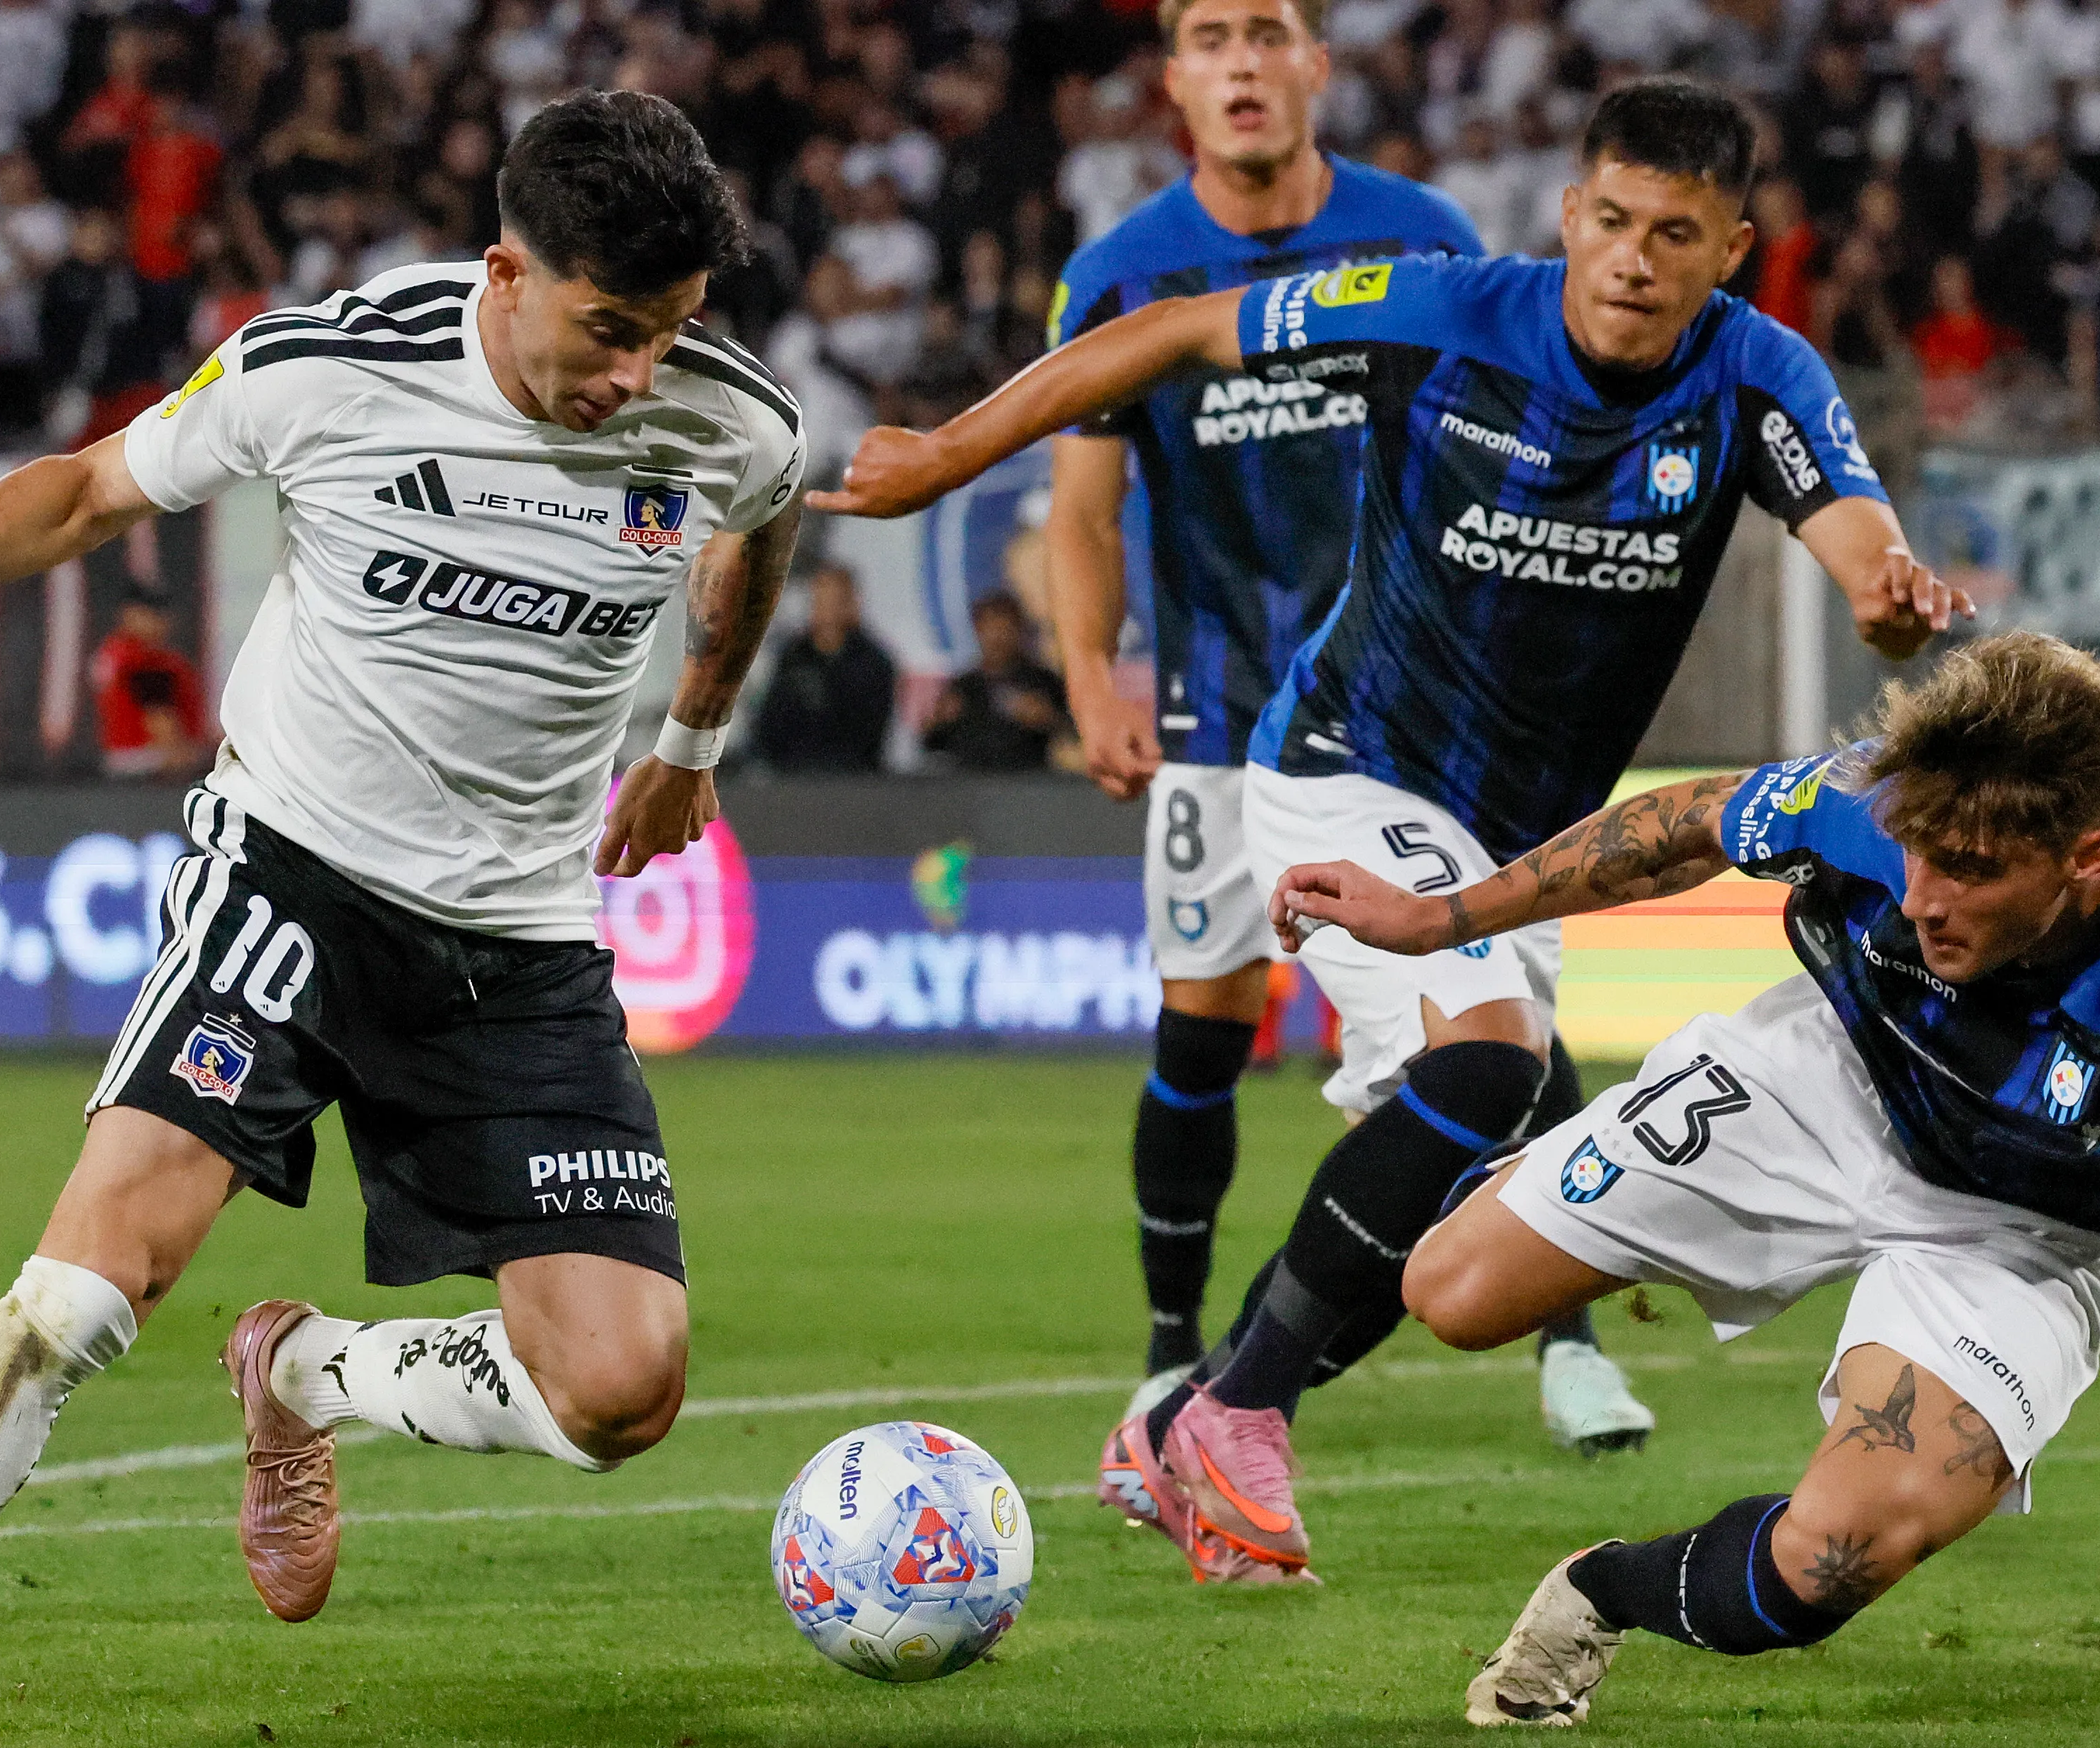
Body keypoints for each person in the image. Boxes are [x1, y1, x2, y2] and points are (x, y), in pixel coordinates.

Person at [0, 90, 807, 1748]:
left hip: (521, 936)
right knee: (89, 1283)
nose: (633, 378)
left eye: (670, 336)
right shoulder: (332, 367)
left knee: (620, 1386)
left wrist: (692, 736)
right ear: (509, 269)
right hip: (293, 877)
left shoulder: (725, 418)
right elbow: (92, 487)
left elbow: (763, 513)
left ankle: (304, 1367)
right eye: (608, 331)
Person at [814, 77, 1971, 1582]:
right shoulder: (1433, 309)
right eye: (1608, 221)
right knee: (1482, 1063)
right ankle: (1232, 1408)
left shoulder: (1759, 379)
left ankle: (1183, 1423)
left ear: (1728, 250)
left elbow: (1861, 544)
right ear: (1568, 214)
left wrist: (1886, 595)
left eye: (1671, 234)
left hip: (1515, 851)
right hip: (1347, 762)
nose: (1630, 257)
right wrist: (951, 454)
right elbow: (1168, 335)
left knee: (1456, 1177)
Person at [1265, 634, 2100, 1726]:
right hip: (1838, 1074)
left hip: (2041, 1229)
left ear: (2089, 859)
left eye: (1973, 872)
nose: (1925, 896)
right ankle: (1577, 1190)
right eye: (1919, 855)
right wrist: (1442, 918)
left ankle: (1596, 1588)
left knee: (1833, 1557)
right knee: (1449, 1294)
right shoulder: (1880, 802)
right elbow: (1689, 822)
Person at [1050, 0, 1637, 1454]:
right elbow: (1080, 504)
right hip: (1218, 705)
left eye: (1268, 32)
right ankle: (1169, 1347)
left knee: (1494, 1001)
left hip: (1418, 707)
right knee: (1205, 1019)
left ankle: (1563, 1339)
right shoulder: (1120, 275)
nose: (1241, 62)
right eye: (1209, 36)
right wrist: (1085, 671)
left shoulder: (1418, 231)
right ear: (1173, 79)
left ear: (1316, 63)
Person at [754, 561, 896, 771]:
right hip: (791, 780)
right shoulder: (793, 657)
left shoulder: (873, 663)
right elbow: (770, 724)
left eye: (834, 601)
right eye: (819, 600)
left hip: (853, 782)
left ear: (851, 604)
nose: (825, 609)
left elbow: (869, 732)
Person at [924, 588, 1067, 771]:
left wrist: (1049, 719)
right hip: (969, 786)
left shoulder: (1043, 682)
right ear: (977, 630)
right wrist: (938, 721)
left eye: (1004, 628)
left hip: (1028, 785)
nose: (997, 638)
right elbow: (931, 744)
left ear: (1019, 630)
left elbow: (1076, 737)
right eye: (990, 628)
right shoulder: (964, 686)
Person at [89, 596, 209, 778]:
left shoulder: (112, 651)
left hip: (117, 760)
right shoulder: (146, 659)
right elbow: (162, 724)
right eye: (154, 615)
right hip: (148, 761)